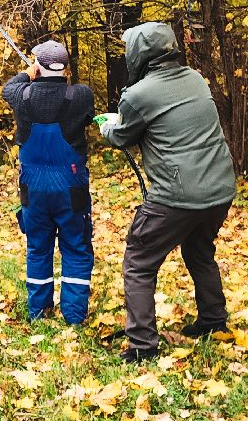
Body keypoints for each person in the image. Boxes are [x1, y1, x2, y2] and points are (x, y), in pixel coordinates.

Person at [97, 22, 237, 363]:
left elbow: (122, 136)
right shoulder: (194, 78)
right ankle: (214, 321)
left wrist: (106, 126)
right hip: (219, 189)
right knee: (200, 252)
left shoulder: (138, 94)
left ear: (139, 54)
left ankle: (143, 346)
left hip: (175, 197)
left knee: (139, 264)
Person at [2, 40, 95, 324]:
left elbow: (9, 88)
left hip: (34, 190)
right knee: (76, 248)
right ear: (65, 68)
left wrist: (29, 74)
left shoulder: (22, 96)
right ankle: (74, 316)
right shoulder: (80, 95)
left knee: (38, 248)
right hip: (71, 188)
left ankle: (38, 313)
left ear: (38, 65)